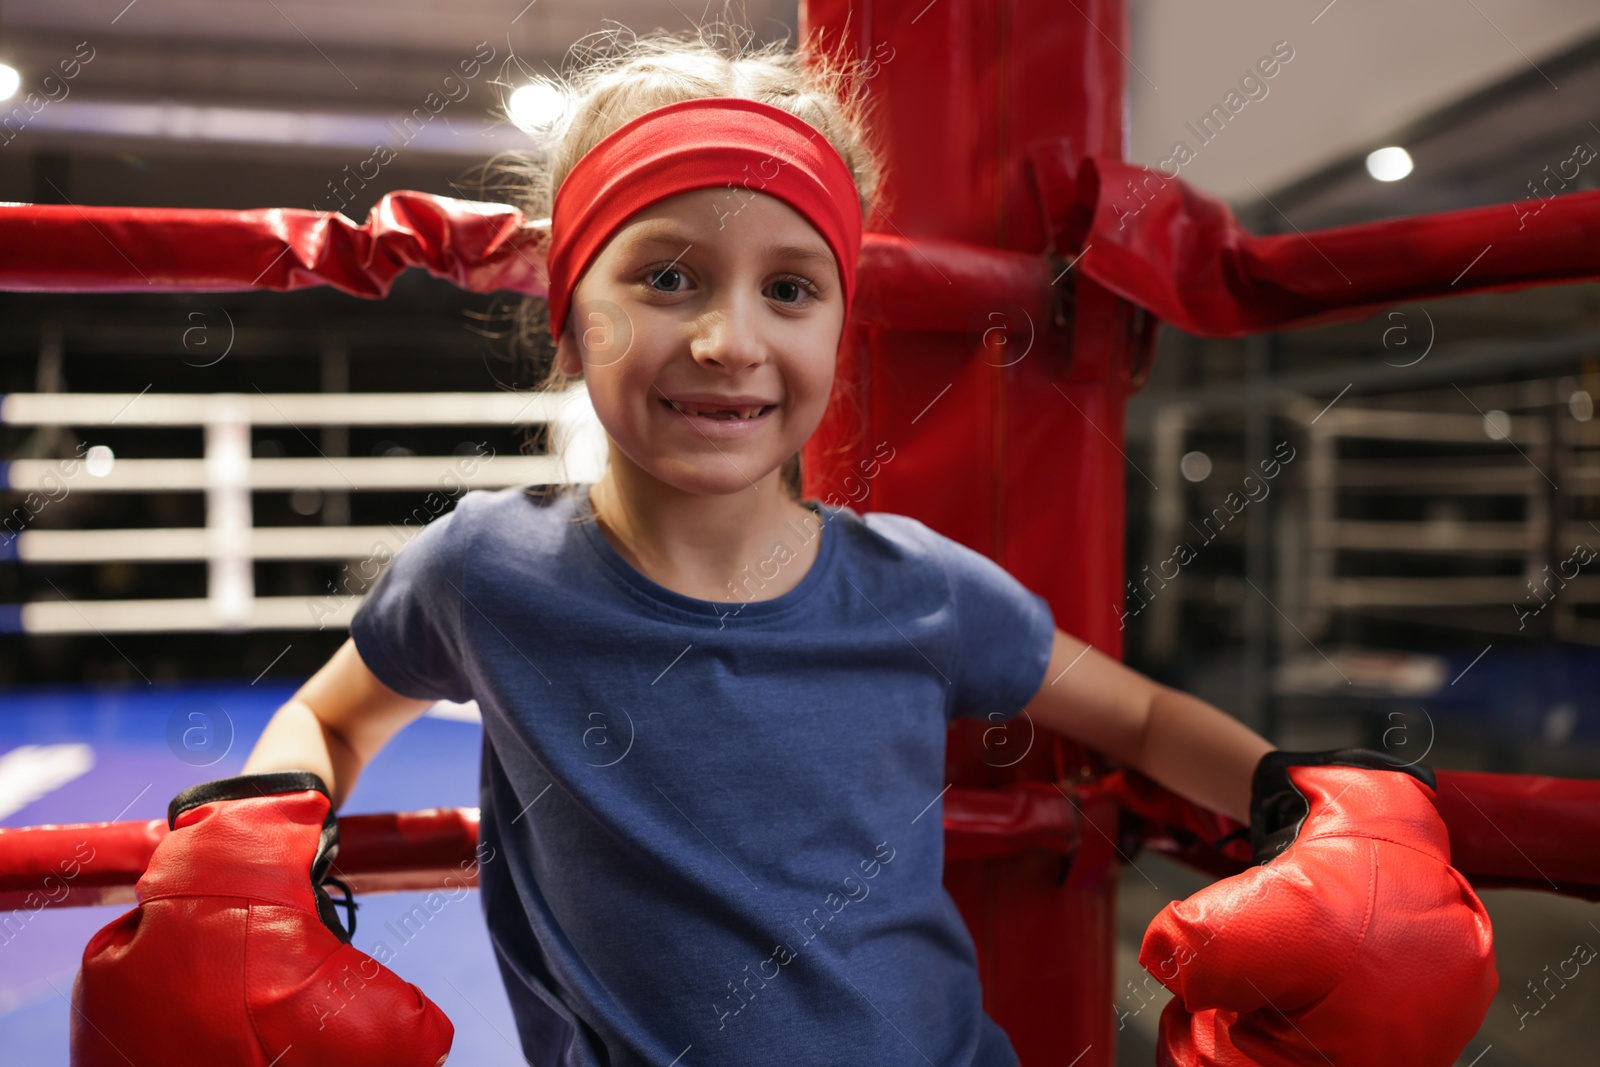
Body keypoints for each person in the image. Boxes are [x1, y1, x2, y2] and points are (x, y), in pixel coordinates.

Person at [71, 25, 1495, 1067]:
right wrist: (256, 827)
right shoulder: (487, 570)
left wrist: (1309, 809)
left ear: (836, 325)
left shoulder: (914, 586)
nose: (725, 338)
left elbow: (1124, 711)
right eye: (665, 274)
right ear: (572, 315)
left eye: (789, 287)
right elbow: (333, 711)